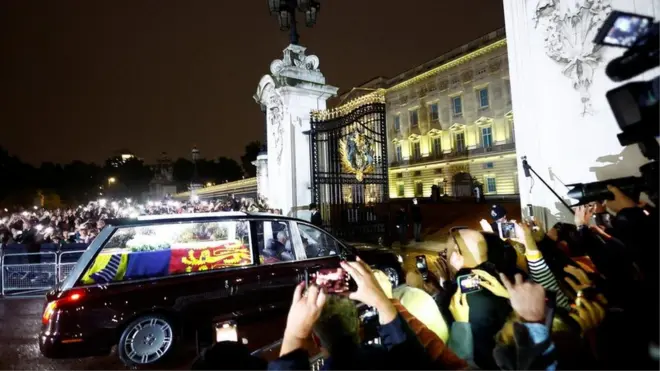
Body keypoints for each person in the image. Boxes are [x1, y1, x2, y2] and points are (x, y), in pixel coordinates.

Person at [269, 257, 433, 370]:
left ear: (316, 340)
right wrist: (383, 303)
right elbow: (415, 363)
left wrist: (294, 336)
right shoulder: (385, 359)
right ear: (359, 327)